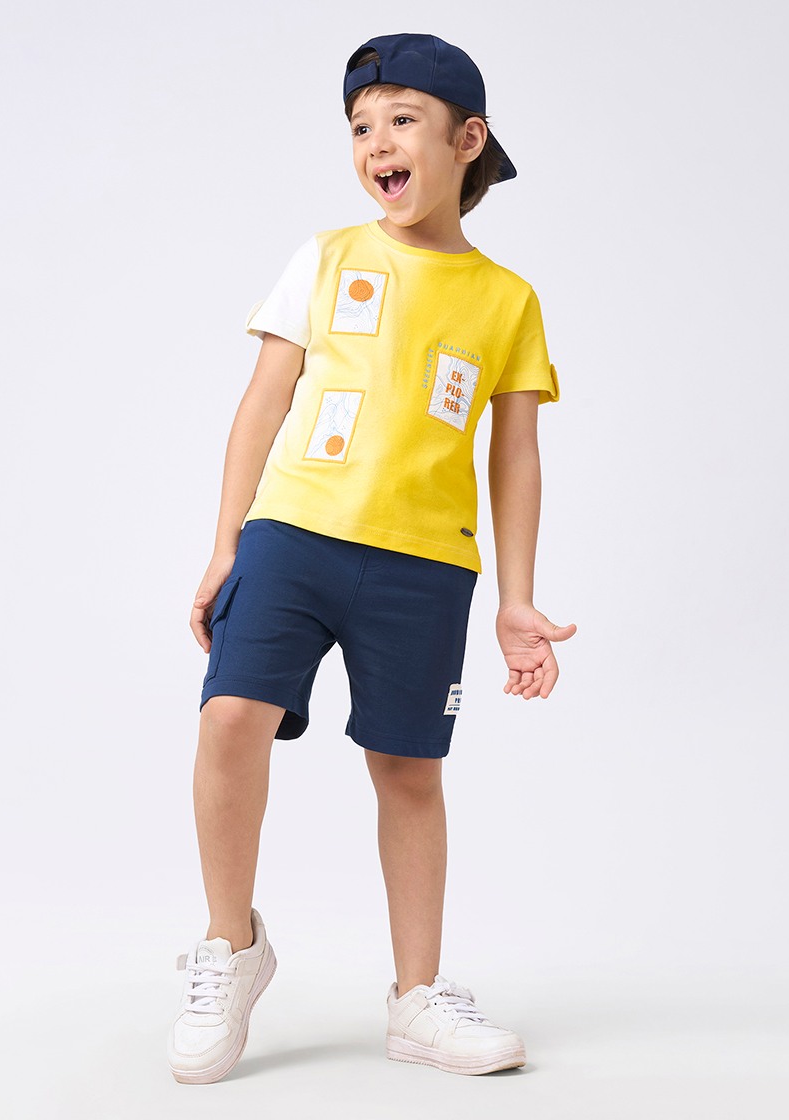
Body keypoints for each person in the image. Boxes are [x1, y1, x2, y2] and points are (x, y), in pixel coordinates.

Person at [168, 32, 576, 1084]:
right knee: (230, 718)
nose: (376, 144)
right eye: (359, 127)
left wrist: (517, 599)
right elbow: (262, 401)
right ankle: (230, 947)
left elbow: (515, 455)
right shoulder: (325, 257)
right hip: (292, 535)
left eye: (401, 120)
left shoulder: (508, 300)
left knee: (407, 769)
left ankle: (417, 998)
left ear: (466, 141)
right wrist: (224, 543)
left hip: (424, 565)